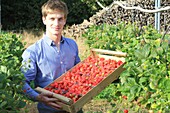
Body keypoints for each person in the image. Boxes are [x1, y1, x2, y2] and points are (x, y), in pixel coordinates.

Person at [21, 0, 82, 113]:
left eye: (60, 19)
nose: (56, 23)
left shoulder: (72, 45)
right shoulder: (33, 52)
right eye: (52, 19)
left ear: (65, 20)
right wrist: (38, 97)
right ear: (44, 20)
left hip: (75, 107)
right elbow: (22, 82)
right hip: (50, 109)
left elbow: (80, 72)